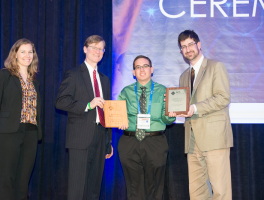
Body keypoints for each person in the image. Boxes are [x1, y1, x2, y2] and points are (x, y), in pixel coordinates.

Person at [169, 30, 233, 200]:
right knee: (197, 192)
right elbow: (184, 105)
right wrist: (176, 111)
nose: (187, 49)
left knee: (220, 191)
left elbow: (223, 97)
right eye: (183, 47)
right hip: (192, 141)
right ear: (181, 51)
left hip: (215, 138)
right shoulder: (183, 76)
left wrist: (195, 108)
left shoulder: (215, 66)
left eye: (190, 44)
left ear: (199, 45)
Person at [55, 35, 113, 200]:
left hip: (100, 138)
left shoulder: (105, 79)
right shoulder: (73, 74)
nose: (97, 51)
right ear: (85, 49)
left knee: (94, 189)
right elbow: (60, 102)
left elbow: (107, 111)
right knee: (77, 189)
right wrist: (88, 105)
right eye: (93, 47)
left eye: (101, 48)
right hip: (80, 137)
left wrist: (108, 141)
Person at [0, 38, 42, 200]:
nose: (27, 55)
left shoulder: (35, 80)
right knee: (7, 180)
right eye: (23, 52)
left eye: (30, 52)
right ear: (15, 55)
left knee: (23, 182)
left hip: (31, 133)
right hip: (7, 133)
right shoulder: (4, 75)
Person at [118, 55, 175, 200]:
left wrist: (171, 114)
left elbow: (167, 120)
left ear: (151, 69)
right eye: (138, 67)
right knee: (133, 187)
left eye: (145, 66)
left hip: (155, 142)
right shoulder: (125, 92)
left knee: (155, 187)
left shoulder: (163, 91)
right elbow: (117, 113)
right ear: (133, 72)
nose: (142, 69)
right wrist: (119, 120)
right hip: (129, 141)